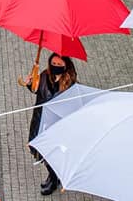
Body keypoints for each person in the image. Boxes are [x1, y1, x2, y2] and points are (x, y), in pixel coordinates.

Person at [27, 53, 78, 196]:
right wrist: (30, 84)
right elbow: (37, 90)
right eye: (53, 64)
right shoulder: (44, 76)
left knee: (53, 153)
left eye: (59, 65)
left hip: (57, 125)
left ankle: (54, 178)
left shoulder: (71, 85)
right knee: (40, 151)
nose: (55, 67)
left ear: (65, 66)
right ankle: (52, 175)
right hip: (40, 121)